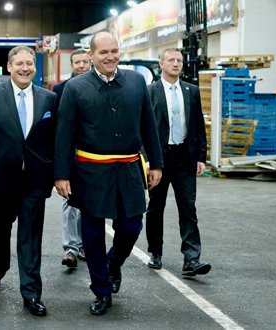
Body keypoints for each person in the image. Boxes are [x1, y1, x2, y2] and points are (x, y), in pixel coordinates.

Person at [53, 32, 163, 316]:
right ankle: (101, 290)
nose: (110, 56)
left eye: (114, 51)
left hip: (129, 168)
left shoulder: (137, 82)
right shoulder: (75, 88)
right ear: (91, 55)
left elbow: (149, 126)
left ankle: (114, 264)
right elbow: (64, 135)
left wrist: (157, 163)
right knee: (92, 235)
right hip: (90, 171)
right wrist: (61, 175)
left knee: (131, 226)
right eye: (103, 52)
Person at [0, 47, 57, 316]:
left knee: (31, 237)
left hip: (34, 181)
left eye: (30, 63)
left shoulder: (49, 99)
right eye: (19, 63)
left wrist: (58, 174)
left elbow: (54, 141)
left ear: (35, 67)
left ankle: (31, 293)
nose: (25, 68)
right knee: (0, 232)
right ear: (8, 67)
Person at [145, 48, 211, 276]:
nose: (176, 64)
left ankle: (192, 258)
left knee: (188, 208)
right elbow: (142, 128)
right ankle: (155, 252)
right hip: (159, 160)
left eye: (179, 60)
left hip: (184, 158)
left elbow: (198, 125)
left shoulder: (191, 91)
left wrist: (201, 156)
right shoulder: (150, 92)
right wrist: (147, 159)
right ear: (161, 64)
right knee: (155, 207)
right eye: (171, 60)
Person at [51, 49, 91, 269]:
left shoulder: (99, 87)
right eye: (78, 62)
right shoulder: (60, 90)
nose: (82, 65)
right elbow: (58, 128)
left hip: (94, 156)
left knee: (90, 205)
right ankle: (70, 249)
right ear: (72, 65)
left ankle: (85, 244)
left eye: (86, 61)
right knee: (70, 203)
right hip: (71, 156)